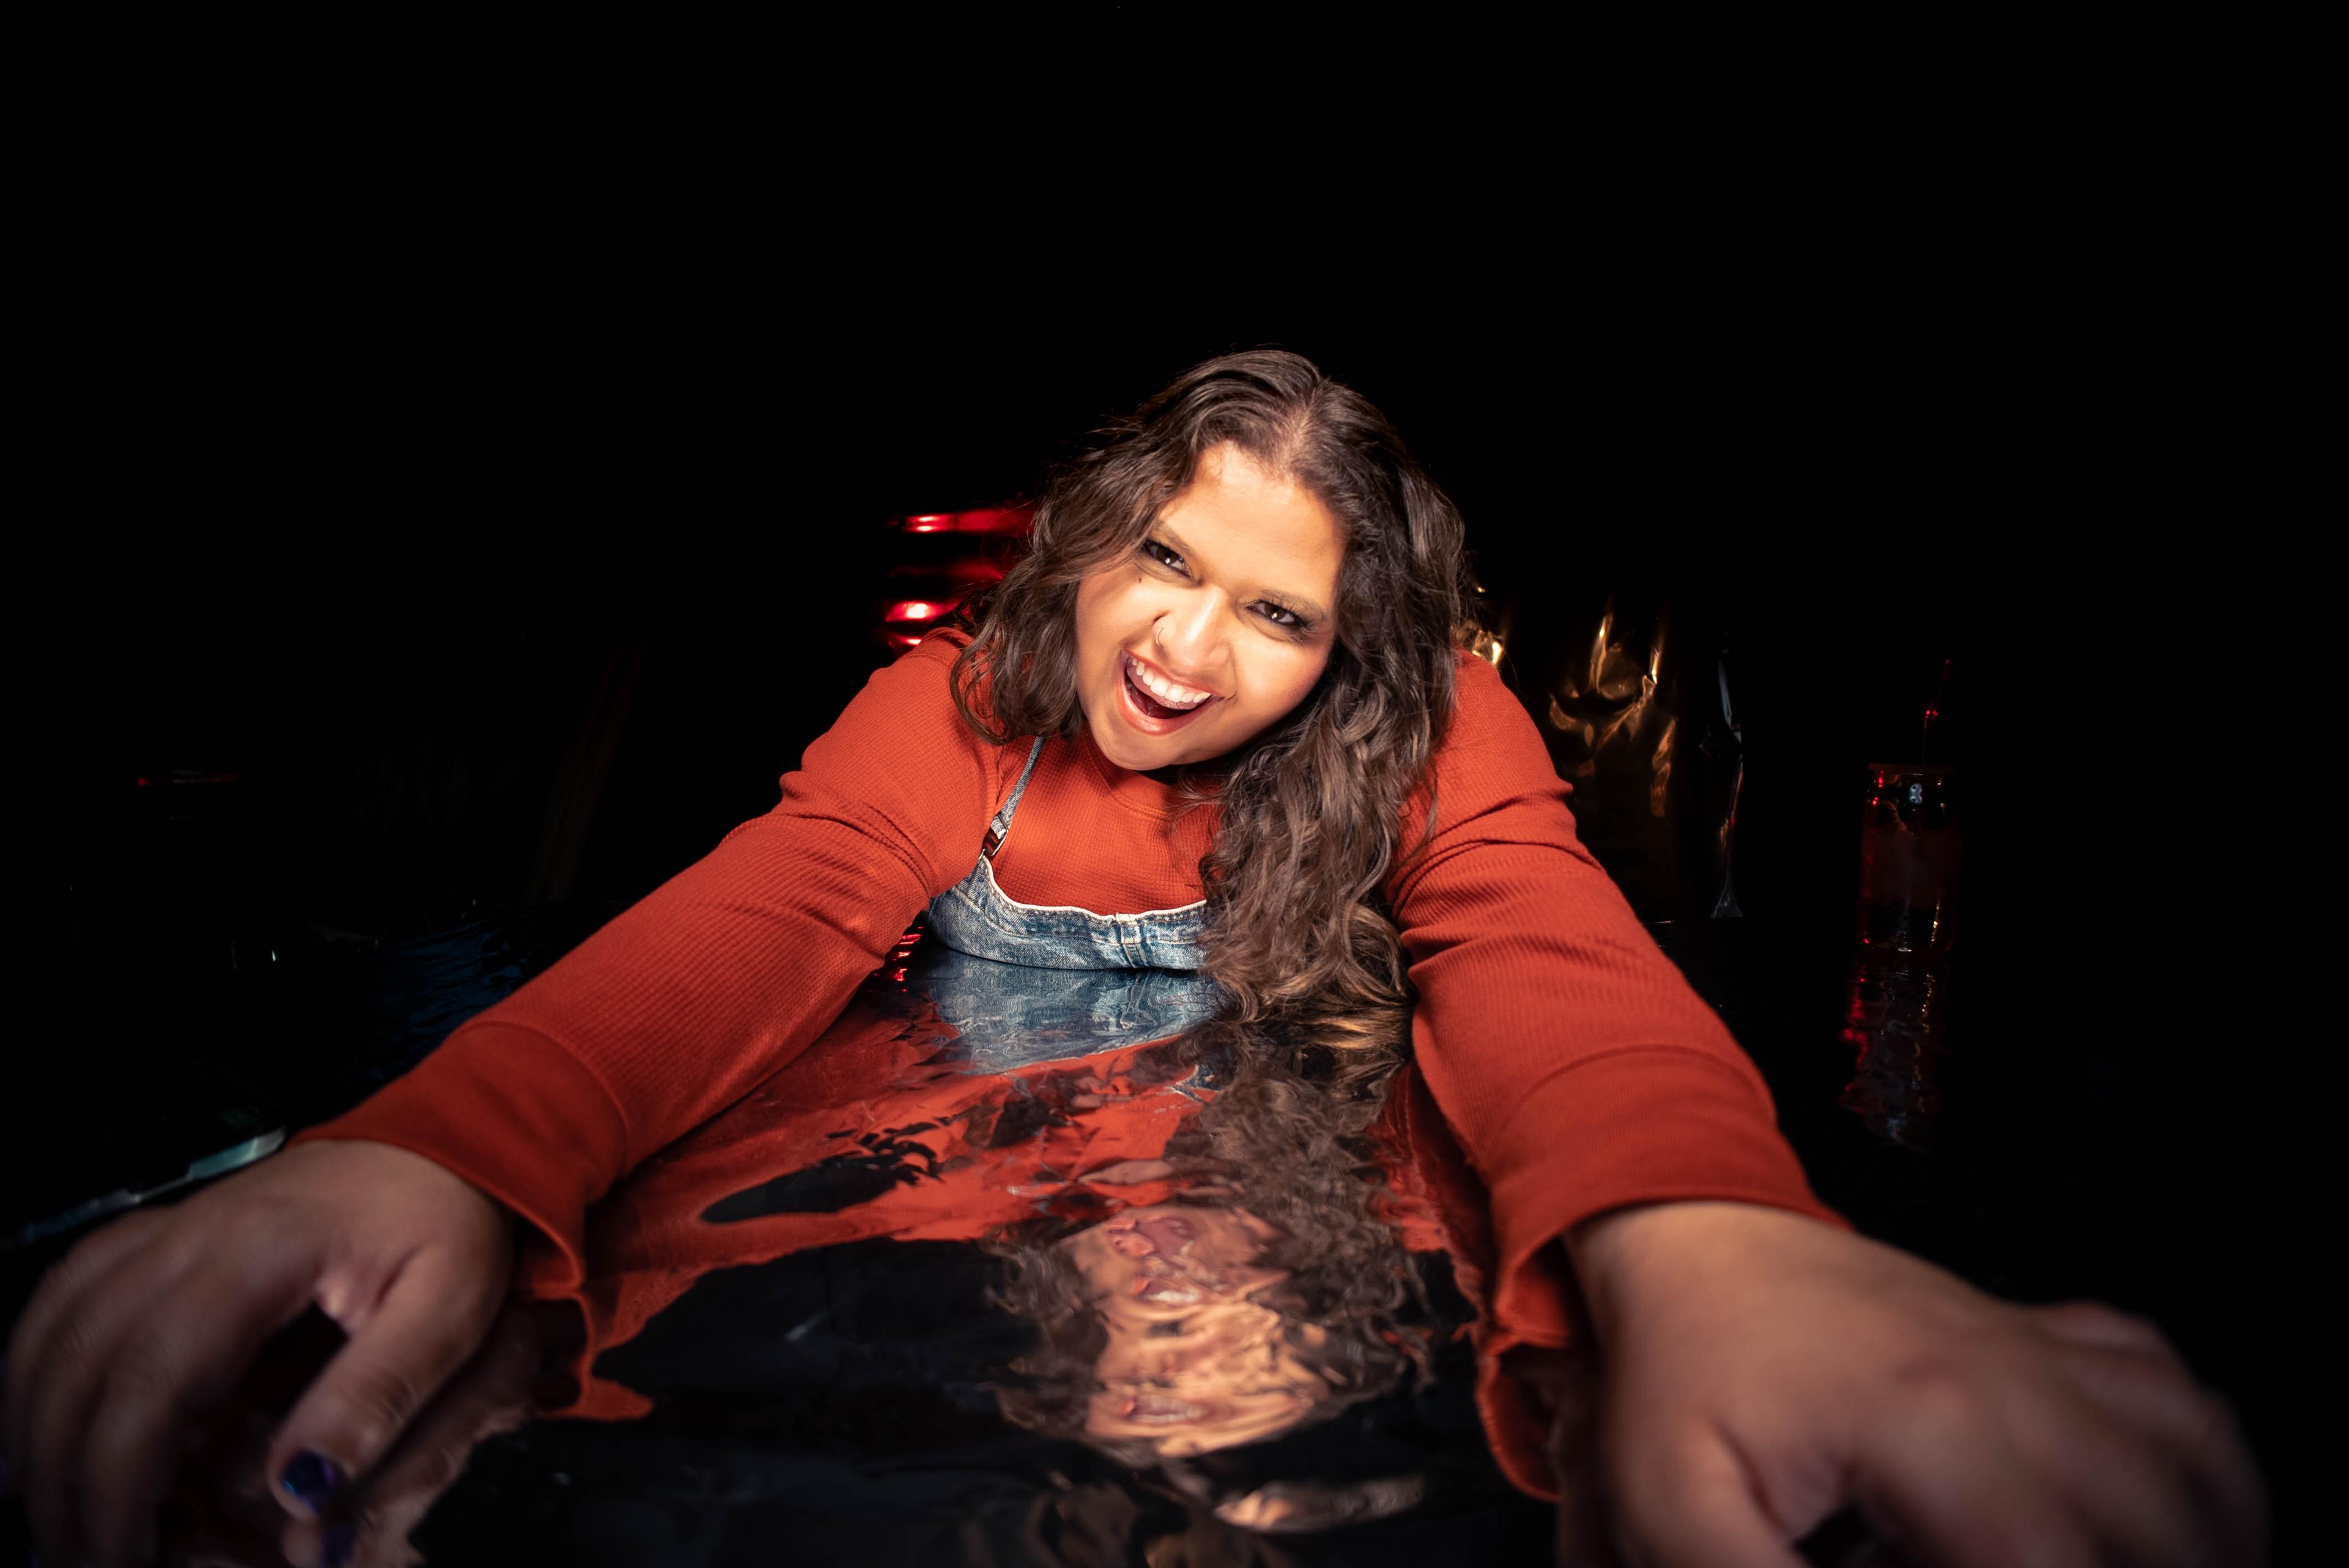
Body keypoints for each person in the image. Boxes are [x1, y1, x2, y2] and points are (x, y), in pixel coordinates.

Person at [2, 351, 2264, 1566]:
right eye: (1165, 558)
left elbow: (1544, 951)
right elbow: (755, 919)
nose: (1185, 648)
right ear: (1095, 541)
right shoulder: (954, 707)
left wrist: (1723, 1243)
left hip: (1298, 1208)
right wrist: (439, 1144)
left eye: (1275, 611)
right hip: (931, 1228)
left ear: (1348, 651)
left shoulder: (1437, 734)